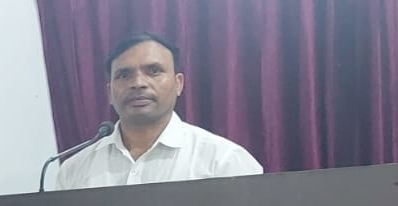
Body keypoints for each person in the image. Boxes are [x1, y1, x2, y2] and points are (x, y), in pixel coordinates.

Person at [56, 32, 262, 190]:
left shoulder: (224, 161)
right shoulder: (74, 170)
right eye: (124, 75)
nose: (138, 83)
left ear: (178, 83)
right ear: (109, 92)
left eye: (153, 71)